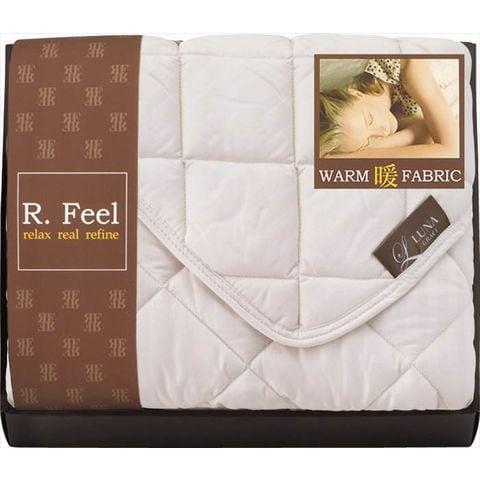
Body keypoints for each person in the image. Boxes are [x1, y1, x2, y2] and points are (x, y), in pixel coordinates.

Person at [318, 58, 459, 158]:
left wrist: (357, 156)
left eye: (370, 120)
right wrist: (374, 145)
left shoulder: (406, 67)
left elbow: (452, 151)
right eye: (368, 141)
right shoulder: (388, 111)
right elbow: (426, 133)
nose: (383, 131)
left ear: (355, 94)